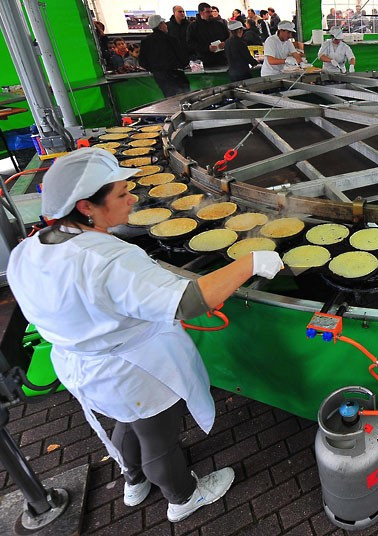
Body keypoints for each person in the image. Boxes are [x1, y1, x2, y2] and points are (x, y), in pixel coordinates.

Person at [6, 148, 285, 523]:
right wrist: (251, 261)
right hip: (134, 370)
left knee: (128, 422)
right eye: (122, 193)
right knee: (159, 441)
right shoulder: (106, 260)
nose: (133, 198)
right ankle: (182, 497)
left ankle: (134, 480)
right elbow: (189, 301)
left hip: (84, 366)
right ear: (86, 206)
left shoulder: (29, 250)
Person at [140, 14, 191, 97]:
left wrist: (155, 70)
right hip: (176, 75)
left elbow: (142, 61)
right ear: (160, 25)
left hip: (160, 77)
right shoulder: (171, 39)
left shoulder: (145, 41)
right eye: (164, 23)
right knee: (184, 98)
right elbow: (183, 58)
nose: (166, 25)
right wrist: (183, 65)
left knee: (170, 100)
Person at [186, 2, 230, 67]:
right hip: (205, 60)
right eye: (208, 12)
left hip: (222, 58)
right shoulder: (193, 26)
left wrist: (225, 43)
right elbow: (191, 43)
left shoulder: (219, 24)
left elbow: (228, 36)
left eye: (211, 11)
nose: (210, 14)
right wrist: (207, 48)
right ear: (201, 13)